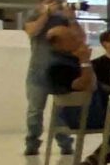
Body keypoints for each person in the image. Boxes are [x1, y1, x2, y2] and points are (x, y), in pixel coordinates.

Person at [35, 20, 95, 157]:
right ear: (57, 44)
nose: (78, 41)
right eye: (72, 38)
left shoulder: (71, 59)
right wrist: (85, 61)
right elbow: (84, 85)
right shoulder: (57, 66)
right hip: (79, 114)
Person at [21, 0, 70, 156]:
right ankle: (32, 142)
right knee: (35, 110)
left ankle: (65, 142)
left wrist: (71, 18)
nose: (52, 5)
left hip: (60, 70)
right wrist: (45, 14)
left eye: (54, 2)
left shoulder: (63, 19)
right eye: (48, 3)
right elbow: (32, 31)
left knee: (62, 110)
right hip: (37, 71)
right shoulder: (33, 16)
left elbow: (77, 37)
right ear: (40, 4)